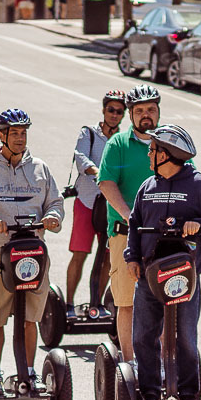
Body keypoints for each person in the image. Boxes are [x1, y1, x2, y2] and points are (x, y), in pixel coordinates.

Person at [0, 109, 65, 395]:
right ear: (2, 135)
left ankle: (28, 374)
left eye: (24, 133)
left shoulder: (39, 168)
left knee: (30, 316)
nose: (20, 138)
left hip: (32, 251)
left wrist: (54, 217)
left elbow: (55, 202)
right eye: (14, 133)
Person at [125, 125, 201, 400]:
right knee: (143, 336)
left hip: (185, 277)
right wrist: (132, 257)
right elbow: (134, 224)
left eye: (153, 150)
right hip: (149, 276)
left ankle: (189, 393)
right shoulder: (148, 187)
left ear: (166, 154)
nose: (148, 154)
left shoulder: (199, 185)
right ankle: (148, 393)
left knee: (185, 336)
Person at [96, 84, 162, 365]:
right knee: (127, 302)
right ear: (131, 115)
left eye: (150, 109)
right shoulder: (118, 144)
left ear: (158, 111)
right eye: (139, 111)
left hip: (162, 237)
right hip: (126, 234)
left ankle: (160, 364)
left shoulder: (170, 140)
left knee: (164, 302)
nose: (145, 115)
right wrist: (129, 214)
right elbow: (106, 183)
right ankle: (131, 363)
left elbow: (191, 178)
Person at [65, 90, 125, 318]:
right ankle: (69, 305)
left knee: (108, 258)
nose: (114, 115)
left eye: (119, 112)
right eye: (111, 110)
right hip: (87, 201)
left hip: (111, 206)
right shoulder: (88, 133)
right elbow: (80, 157)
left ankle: (96, 305)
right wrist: (99, 172)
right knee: (80, 253)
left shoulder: (122, 140)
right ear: (103, 110)